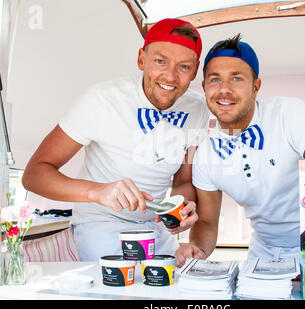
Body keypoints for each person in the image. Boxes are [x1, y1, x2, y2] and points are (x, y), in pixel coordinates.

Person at [22, 18, 210, 261]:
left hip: (156, 228)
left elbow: (183, 180)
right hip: (100, 224)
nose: (170, 76)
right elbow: (34, 175)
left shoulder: (198, 109)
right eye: (160, 61)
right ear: (142, 59)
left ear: (194, 71)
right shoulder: (101, 100)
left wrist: (183, 207)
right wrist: (98, 192)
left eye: (183, 67)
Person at [175, 34, 305, 267]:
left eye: (237, 78)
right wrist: (196, 251)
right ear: (204, 87)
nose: (224, 90)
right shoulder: (204, 154)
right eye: (215, 80)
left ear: (256, 87)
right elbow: (207, 223)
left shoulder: (290, 114)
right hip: (263, 254)